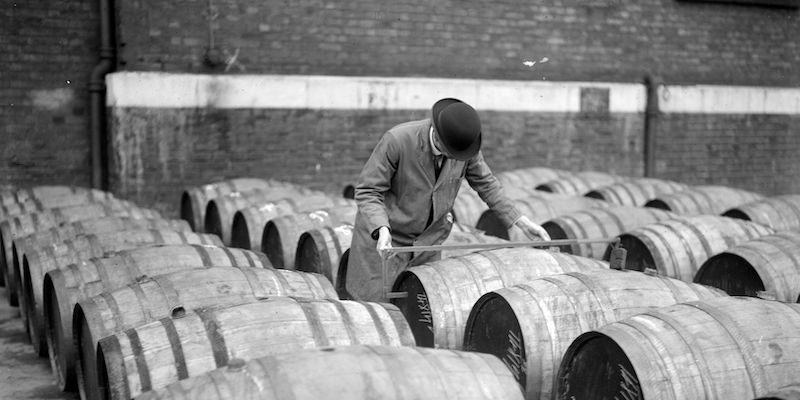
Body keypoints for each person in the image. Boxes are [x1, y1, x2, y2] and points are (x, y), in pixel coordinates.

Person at [345, 98, 551, 302]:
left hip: (428, 242)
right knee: (378, 310)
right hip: (387, 241)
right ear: (437, 137)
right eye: (451, 153)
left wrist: (520, 221)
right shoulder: (397, 140)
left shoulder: (463, 147)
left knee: (417, 309)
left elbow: (487, 183)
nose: (456, 159)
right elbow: (368, 190)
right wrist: (381, 228)